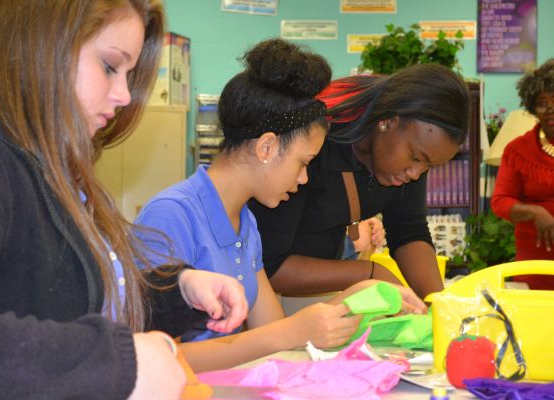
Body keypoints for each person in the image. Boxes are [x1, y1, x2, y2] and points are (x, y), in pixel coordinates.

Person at [0, 1, 249, 399]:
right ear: (43, 43)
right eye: (110, 66)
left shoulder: (48, 163)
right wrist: (117, 364)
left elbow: (72, 298)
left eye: (128, 75)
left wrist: (180, 289)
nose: (125, 96)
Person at [135, 38, 427, 373]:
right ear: (267, 148)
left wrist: (360, 293)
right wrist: (290, 331)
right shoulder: (172, 215)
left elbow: (271, 326)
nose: (303, 179)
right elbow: (149, 357)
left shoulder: (244, 222)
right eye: (303, 163)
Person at [249, 64, 472, 300]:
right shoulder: (313, 142)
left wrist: (438, 303)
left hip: (320, 289)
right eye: (416, 157)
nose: (416, 173)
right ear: (387, 122)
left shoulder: (410, 155)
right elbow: (269, 265)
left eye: (429, 166)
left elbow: (408, 230)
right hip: (260, 294)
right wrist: (369, 273)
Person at [491, 58, 554, 290]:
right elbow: (500, 202)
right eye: (542, 103)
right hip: (535, 258)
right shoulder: (518, 150)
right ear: (531, 107)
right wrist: (535, 212)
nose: (550, 109)